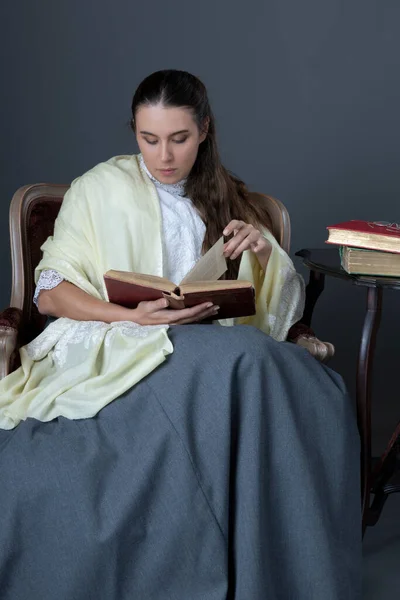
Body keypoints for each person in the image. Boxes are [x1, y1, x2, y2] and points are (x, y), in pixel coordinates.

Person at [0, 70, 360, 599]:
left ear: (205, 131)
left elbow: (275, 311)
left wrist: (261, 251)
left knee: (311, 387)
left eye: (179, 138)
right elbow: (50, 292)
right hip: (120, 341)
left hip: (209, 345)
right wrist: (133, 318)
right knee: (249, 362)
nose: (163, 155)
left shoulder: (229, 199)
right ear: (134, 133)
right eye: (148, 139)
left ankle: (288, 565)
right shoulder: (99, 187)